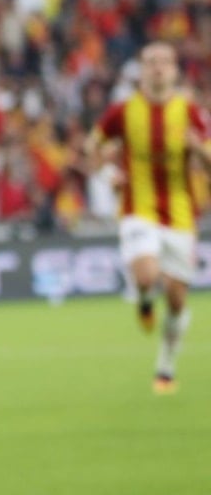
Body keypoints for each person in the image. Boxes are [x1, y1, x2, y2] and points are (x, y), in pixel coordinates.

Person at [84, 41, 211, 394]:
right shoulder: (123, 111)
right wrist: (107, 175)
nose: (157, 67)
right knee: (146, 273)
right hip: (137, 209)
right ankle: (142, 297)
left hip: (181, 215)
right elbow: (92, 148)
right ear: (141, 69)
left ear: (174, 70)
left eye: (164, 61)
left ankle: (165, 367)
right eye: (151, 61)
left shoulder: (190, 112)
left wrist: (197, 149)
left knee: (177, 300)